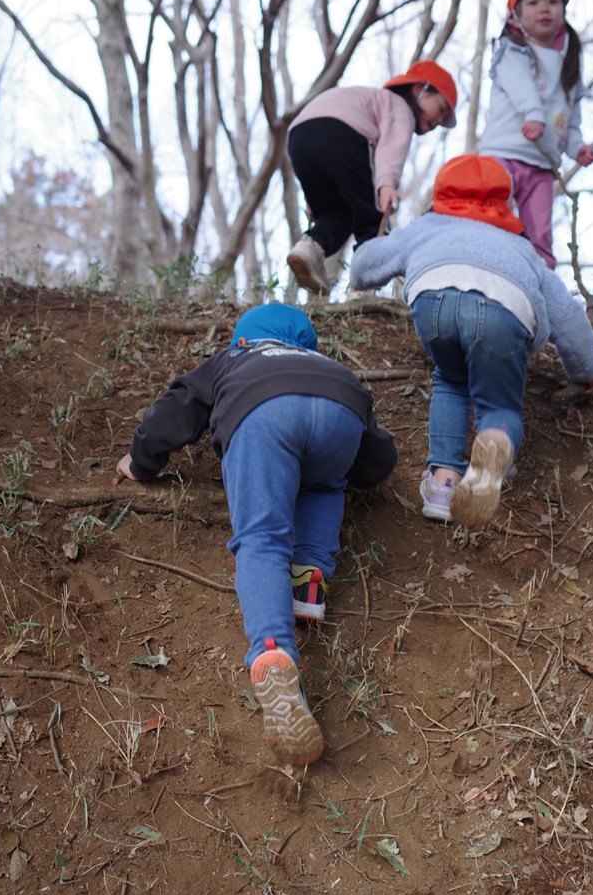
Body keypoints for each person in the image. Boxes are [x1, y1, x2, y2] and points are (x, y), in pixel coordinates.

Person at [115, 302, 397, 767]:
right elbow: (377, 458)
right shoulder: (332, 368)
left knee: (263, 537)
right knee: (327, 482)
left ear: (242, 338)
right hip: (340, 413)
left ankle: (273, 653)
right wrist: (361, 474)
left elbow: (179, 407)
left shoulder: (236, 358)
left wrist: (140, 460)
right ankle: (308, 583)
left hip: (263, 413)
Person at [350, 154, 593, 528]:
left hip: (433, 300)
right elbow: (568, 317)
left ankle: (442, 487)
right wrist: (587, 369)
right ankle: (495, 440)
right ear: (504, 200)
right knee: (498, 404)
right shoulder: (521, 248)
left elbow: (364, 265)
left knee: (451, 380)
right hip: (505, 308)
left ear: (441, 192)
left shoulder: (426, 227)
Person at [286, 61, 457, 295]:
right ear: (420, 90)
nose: (438, 122)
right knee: (372, 220)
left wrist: (313, 200)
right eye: (442, 110)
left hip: (298, 139)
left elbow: (321, 149)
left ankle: (308, 249)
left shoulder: (370, 100)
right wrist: (386, 184)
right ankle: (363, 288)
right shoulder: (400, 108)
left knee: (338, 215)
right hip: (343, 133)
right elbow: (391, 150)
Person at [478, 0, 593, 268]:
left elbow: (569, 118)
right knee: (492, 218)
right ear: (516, 16)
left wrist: (577, 146)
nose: (544, 8)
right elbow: (521, 85)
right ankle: (485, 273)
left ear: (563, 12)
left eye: (553, 2)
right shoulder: (511, 49)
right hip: (503, 153)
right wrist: (533, 114)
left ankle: (541, 291)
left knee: (540, 235)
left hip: (543, 165)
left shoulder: (569, 62)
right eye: (533, 2)